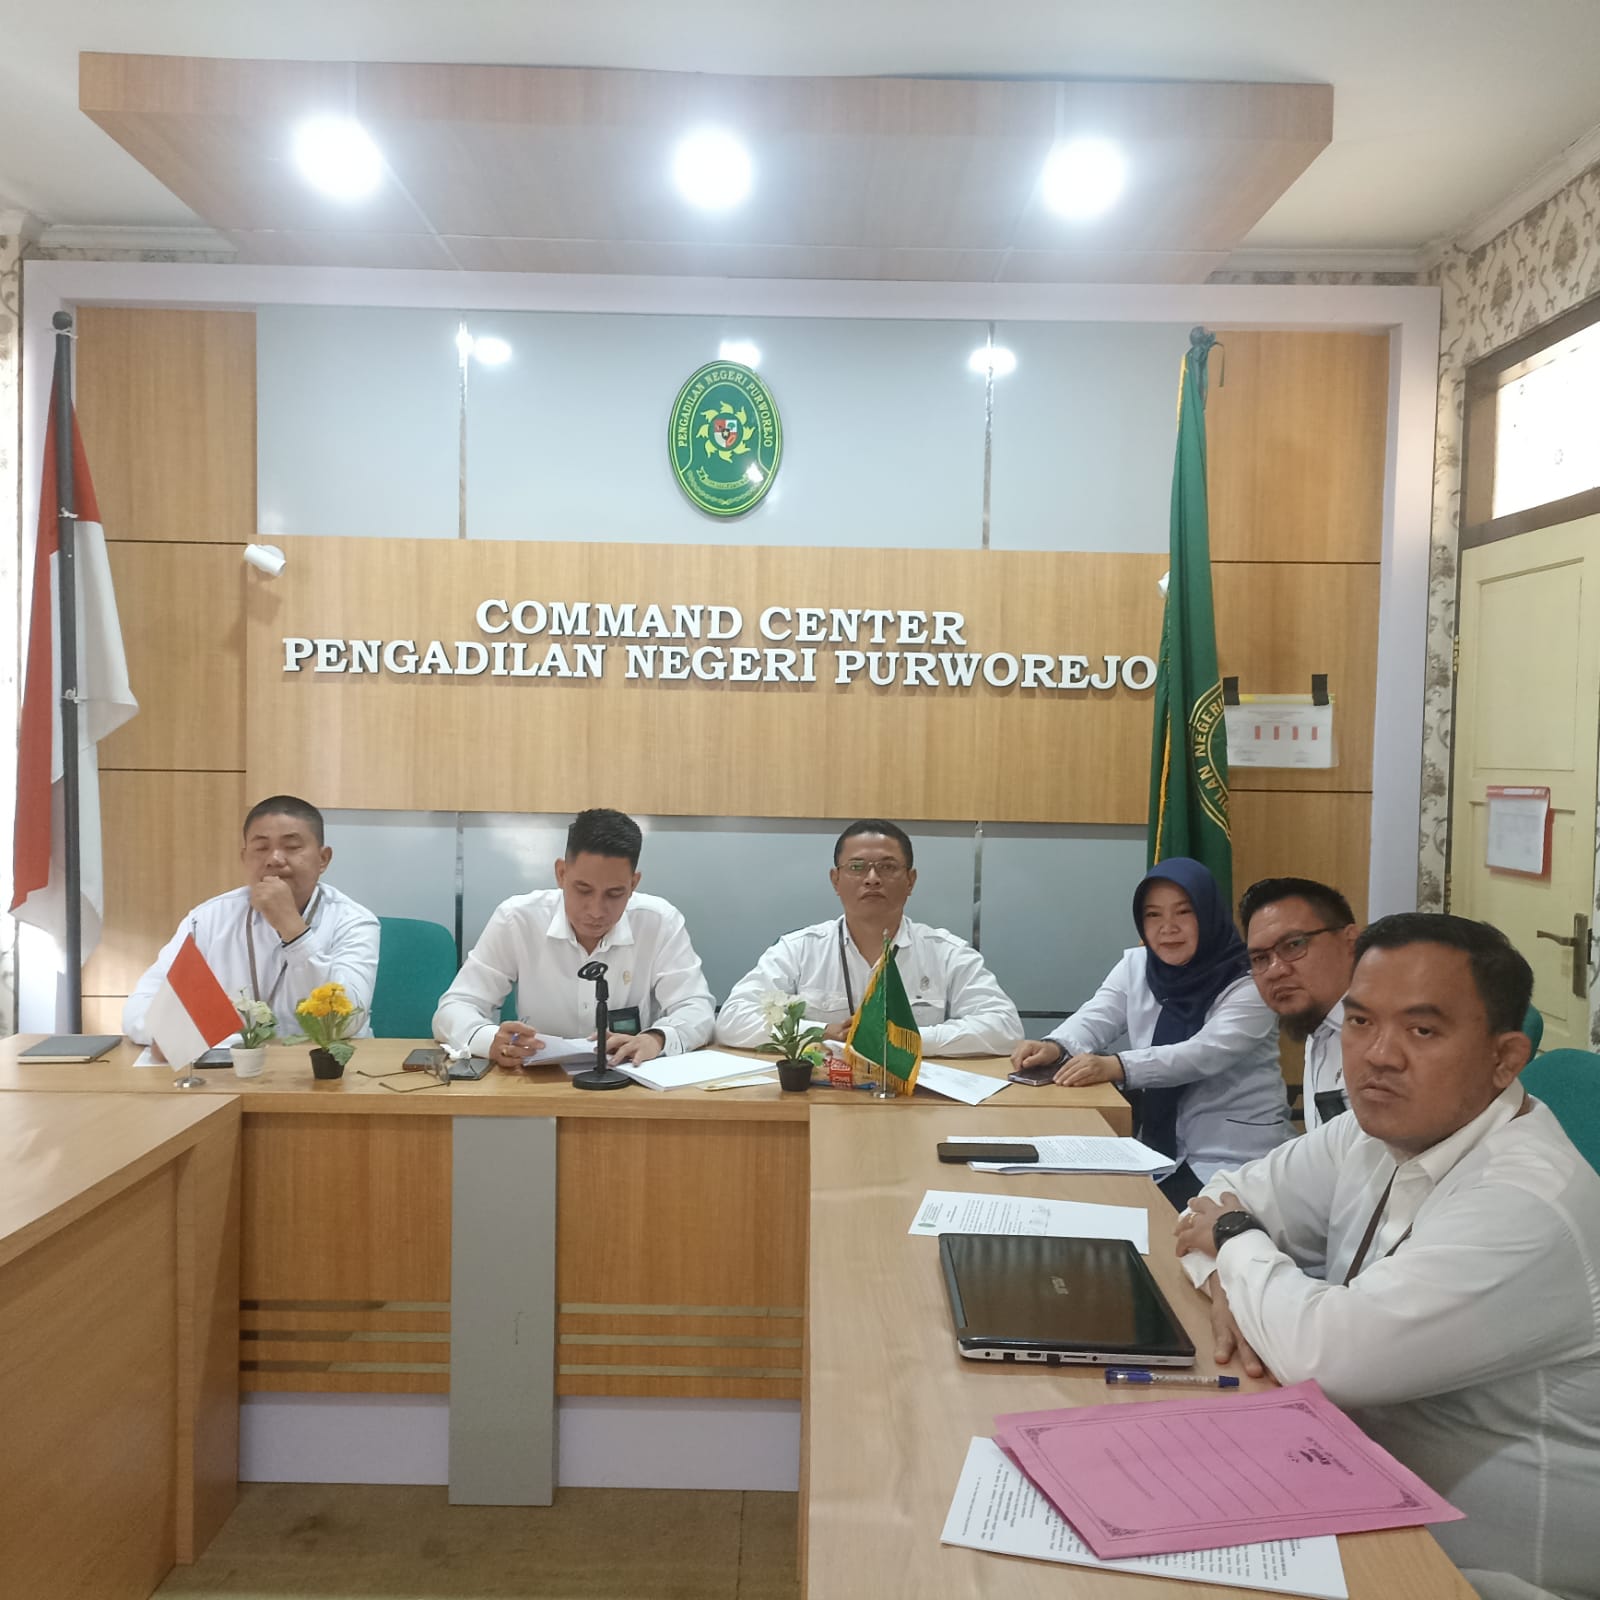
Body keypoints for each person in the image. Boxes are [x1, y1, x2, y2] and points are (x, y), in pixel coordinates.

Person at [1174, 913, 1600, 1599]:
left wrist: (1234, 1244)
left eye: (1422, 1031)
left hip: (1480, 1575)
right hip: (1349, 1492)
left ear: (1505, 1059)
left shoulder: (1525, 1203)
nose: (1378, 1055)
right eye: (1361, 1021)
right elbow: (1217, 1197)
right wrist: (1232, 1270)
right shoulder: (1374, 1129)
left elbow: (1326, 1355)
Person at [1010, 857, 1289, 1205]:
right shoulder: (1138, 965)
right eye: (1153, 915)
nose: (1167, 928)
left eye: (1183, 912)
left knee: (1165, 1226)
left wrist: (1118, 1066)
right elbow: (1098, 1015)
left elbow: (1203, 1054)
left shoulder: (1249, 982)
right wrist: (1055, 1045)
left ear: (1208, 913)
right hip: (1156, 1151)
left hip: (1235, 1155)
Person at [433, 808, 714, 1068]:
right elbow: (454, 1009)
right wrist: (490, 1041)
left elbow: (697, 1009)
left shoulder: (659, 922)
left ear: (633, 884)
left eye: (614, 894)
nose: (596, 911)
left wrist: (656, 1039)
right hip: (537, 1084)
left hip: (627, 1081)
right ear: (561, 873)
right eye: (583, 889)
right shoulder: (517, 919)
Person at [714, 819, 1022, 1056]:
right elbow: (732, 1021)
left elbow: (1004, 1027)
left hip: (915, 1099)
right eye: (857, 867)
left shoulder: (947, 953)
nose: (872, 878)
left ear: (911, 880)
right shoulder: (798, 950)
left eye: (887, 867)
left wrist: (906, 1040)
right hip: (821, 1097)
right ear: (835, 880)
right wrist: (822, 1032)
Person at [123, 795, 380, 1044]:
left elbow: (347, 1022)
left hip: (327, 1066)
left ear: (323, 859)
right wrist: (177, 1036)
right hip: (232, 1065)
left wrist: (293, 930)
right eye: (261, 848)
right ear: (244, 858)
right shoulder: (208, 920)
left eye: (292, 847)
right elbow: (143, 1004)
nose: (274, 859)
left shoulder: (353, 921)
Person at [1238, 876, 1359, 1130]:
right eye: (1260, 958)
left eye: (1293, 945)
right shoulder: (1318, 1030)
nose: (1275, 970)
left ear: (1351, 942)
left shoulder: (1389, 1037)